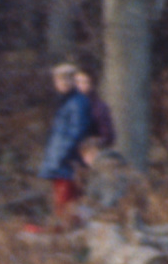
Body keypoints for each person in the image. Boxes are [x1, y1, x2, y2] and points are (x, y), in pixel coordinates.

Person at [35, 62, 95, 227]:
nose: (61, 84)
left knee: (66, 200)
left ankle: (67, 232)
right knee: (62, 201)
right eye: (59, 80)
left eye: (66, 80)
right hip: (60, 160)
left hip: (66, 161)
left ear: (73, 81)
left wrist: (63, 154)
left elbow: (77, 131)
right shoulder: (66, 101)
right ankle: (66, 229)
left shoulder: (77, 102)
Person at [73, 66, 116, 152]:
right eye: (77, 82)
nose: (80, 86)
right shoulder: (71, 104)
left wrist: (93, 142)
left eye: (84, 82)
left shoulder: (98, 107)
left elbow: (108, 136)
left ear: (92, 84)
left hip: (90, 152)